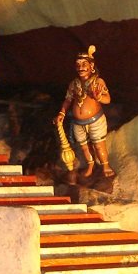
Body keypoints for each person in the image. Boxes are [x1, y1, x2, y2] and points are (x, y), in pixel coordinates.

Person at [53, 45, 115, 182]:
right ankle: (90, 165)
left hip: (95, 120)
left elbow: (108, 99)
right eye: (78, 64)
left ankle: (105, 166)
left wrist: (98, 97)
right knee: (84, 147)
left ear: (91, 66)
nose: (81, 67)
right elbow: (68, 100)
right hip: (78, 122)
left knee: (99, 145)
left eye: (84, 64)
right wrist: (62, 113)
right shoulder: (74, 84)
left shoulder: (97, 82)